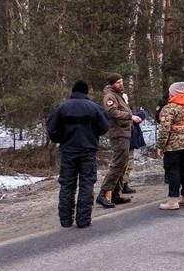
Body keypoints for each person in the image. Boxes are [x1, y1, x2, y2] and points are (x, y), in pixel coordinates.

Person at [46, 80, 110, 228]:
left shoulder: (61, 107)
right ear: (86, 92)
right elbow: (104, 127)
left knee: (67, 184)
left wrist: (62, 138)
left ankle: (66, 220)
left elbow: (52, 129)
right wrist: (92, 134)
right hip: (88, 151)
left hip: (68, 151)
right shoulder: (94, 108)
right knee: (86, 184)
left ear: (73, 91)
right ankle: (83, 220)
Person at [98, 73, 141, 209]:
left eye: (122, 82)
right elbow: (112, 112)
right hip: (118, 134)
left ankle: (116, 193)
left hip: (125, 133)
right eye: (118, 82)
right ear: (112, 84)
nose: (121, 84)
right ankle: (103, 193)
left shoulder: (119, 95)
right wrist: (130, 116)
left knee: (123, 164)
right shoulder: (109, 96)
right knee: (118, 164)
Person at [156, 81, 184, 210]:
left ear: (173, 93)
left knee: (173, 170)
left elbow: (165, 129)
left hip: (173, 145)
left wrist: (160, 146)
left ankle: (173, 200)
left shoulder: (169, 108)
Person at [121, 101, 146, 194]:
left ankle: (124, 184)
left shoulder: (127, 110)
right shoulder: (123, 111)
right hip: (126, 140)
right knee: (125, 164)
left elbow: (138, 117)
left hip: (130, 140)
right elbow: (138, 118)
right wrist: (141, 113)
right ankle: (121, 185)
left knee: (129, 164)